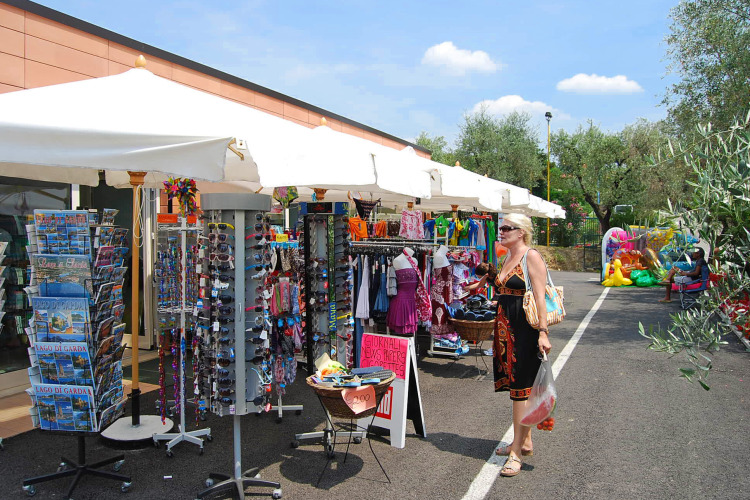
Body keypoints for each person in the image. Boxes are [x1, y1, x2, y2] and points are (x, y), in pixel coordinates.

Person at [490, 213, 552, 477]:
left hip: (524, 331)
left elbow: (540, 296)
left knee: (521, 391)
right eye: (501, 228)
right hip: (506, 330)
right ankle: (524, 441)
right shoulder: (507, 256)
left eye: (506, 228)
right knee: (515, 388)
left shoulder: (531, 256)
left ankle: (516, 452)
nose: (501, 232)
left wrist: (543, 332)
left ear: (521, 232)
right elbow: (506, 291)